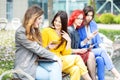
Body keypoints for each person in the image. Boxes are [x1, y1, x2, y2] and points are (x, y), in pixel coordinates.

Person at [13, 5, 62, 80]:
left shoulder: (34, 30)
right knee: (52, 74)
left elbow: (36, 50)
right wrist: (55, 57)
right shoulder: (21, 32)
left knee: (55, 66)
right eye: (39, 18)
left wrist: (48, 47)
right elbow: (36, 49)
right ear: (32, 18)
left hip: (35, 64)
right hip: (25, 69)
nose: (41, 21)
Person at [41, 11, 92, 80]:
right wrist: (48, 47)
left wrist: (69, 41)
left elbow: (66, 53)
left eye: (60, 22)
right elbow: (41, 50)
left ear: (64, 23)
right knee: (77, 58)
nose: (57, 23)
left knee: (76, 69)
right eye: (56, 20)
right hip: (51, 60)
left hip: (61, 60)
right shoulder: (46, 31)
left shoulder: (64, 34)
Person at [78, 5, 120, 80]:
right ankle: (116, 74)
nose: (89, 18)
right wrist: (88, 39)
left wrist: (105, 52)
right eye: (87, 15)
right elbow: (79, 44)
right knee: (102, 51)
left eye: (91, 16)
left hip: (94, 49)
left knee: (100, 59)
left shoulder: (93, 24)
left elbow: (98, 40)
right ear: (84, 14)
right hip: (84, 51)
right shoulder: (79, 26)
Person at [68, 9, 96, 80]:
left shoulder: (76, 30)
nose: (80, 20)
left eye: (81, 19)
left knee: (91, 54)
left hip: (76, 54)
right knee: (91, 55)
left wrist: (85, 48)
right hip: (71, 56)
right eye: (78, 18)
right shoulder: (69, 30)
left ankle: (93, 78)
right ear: (73, 18)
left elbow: (78, 45)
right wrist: (79, 50)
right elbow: (67, 50)